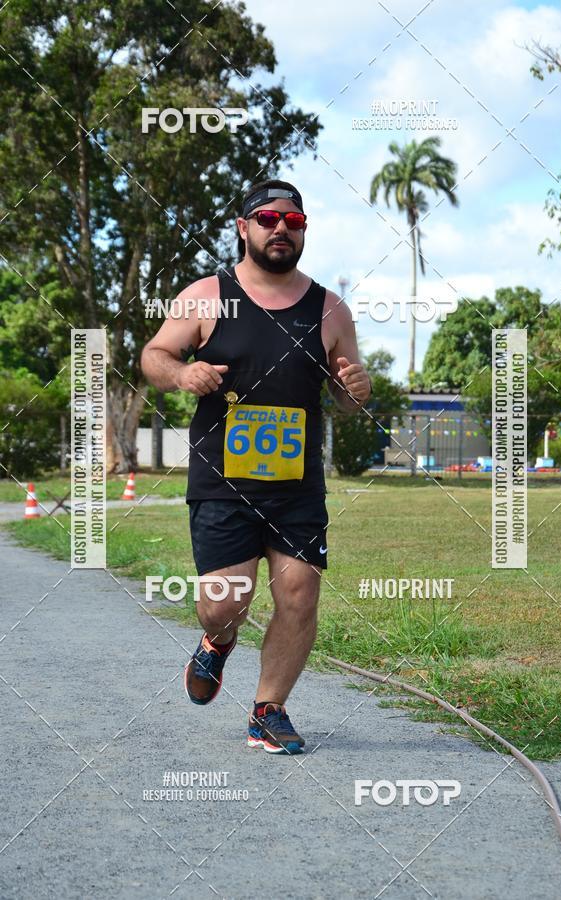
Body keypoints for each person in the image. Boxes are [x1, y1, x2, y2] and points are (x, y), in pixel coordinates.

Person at [141, 179, 371, 754]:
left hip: (296, 487)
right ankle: (216, 644)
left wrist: (356, 390)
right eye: (268, 218)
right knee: (226, 602)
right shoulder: (207, 295)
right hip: (223, 482)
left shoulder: (329, 308)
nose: (280, 228)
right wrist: (181, 374)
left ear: (303, 231)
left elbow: (346, 395)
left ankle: (269, 710)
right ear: (244, 227)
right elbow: (154, 355)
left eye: (293, 221)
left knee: (298, 595)